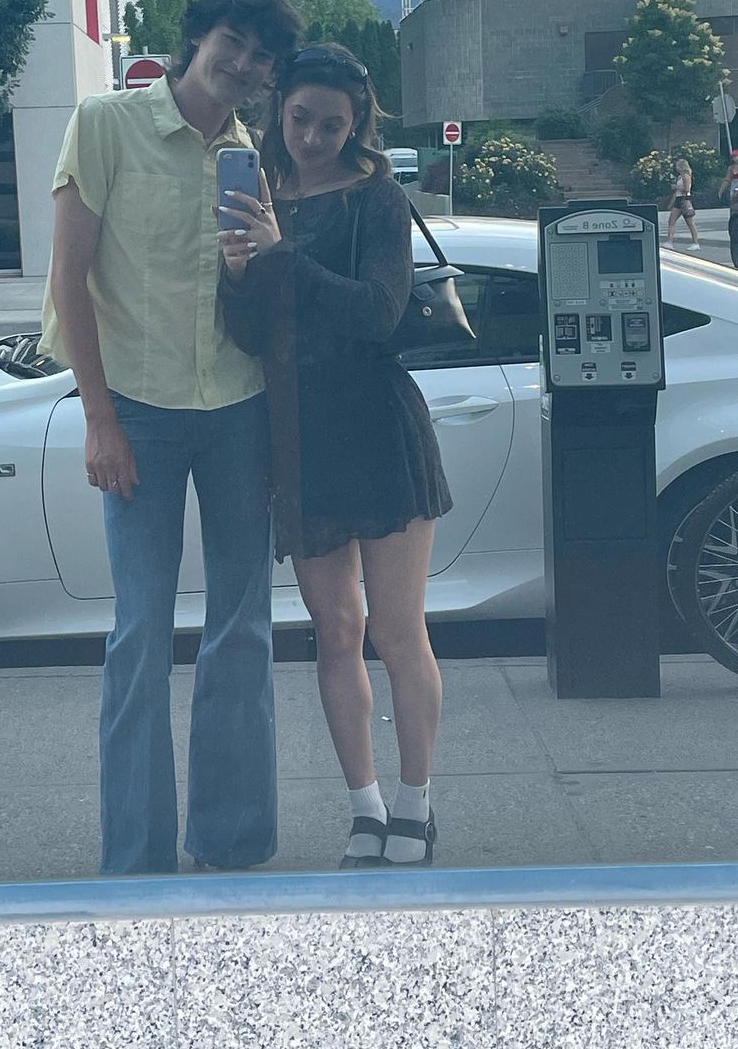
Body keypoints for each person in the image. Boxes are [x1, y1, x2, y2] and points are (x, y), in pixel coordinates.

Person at [40, 0, 303, 875]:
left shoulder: (247, 156)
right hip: (141, 414)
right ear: (198, 38)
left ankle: (232, 839)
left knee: (244, 627)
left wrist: (257, 257)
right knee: (141, 630)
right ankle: (137, 857)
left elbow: (252, 304)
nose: (245, 65)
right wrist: (100, 419)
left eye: (263, 58)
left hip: (237, 411)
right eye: (234, 43)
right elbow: (69, 279)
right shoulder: (105, 124)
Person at [217, 44, 452, 868]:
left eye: (333, 124)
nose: (314, 137)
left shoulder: (377, 195)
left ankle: (416, 803)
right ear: (279, 108)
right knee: (337, 631)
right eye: (301, 119)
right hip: (300, 437)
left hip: (379, 428)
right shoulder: (262, 194)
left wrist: (283, 255)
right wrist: (238, 273)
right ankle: (365, 806)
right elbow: (251, 336)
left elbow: (379, 313)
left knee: (397, 629)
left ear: (357, 125)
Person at [665, 157, 700, 250]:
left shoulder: (686, 175)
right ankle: (669, 242)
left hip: (684, 199)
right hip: (678, 199)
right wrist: (671, 203)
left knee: (690, 223)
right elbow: (676, 193)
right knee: (671, 221)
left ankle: (695, 243)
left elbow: (687, 189)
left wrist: (676, 187)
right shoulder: (680, 177)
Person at [720, 149, 738, 267]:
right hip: (734, 191)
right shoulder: (731, 168)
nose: (734, 158)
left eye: (735, 156)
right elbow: (727, 180)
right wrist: (721, 190)